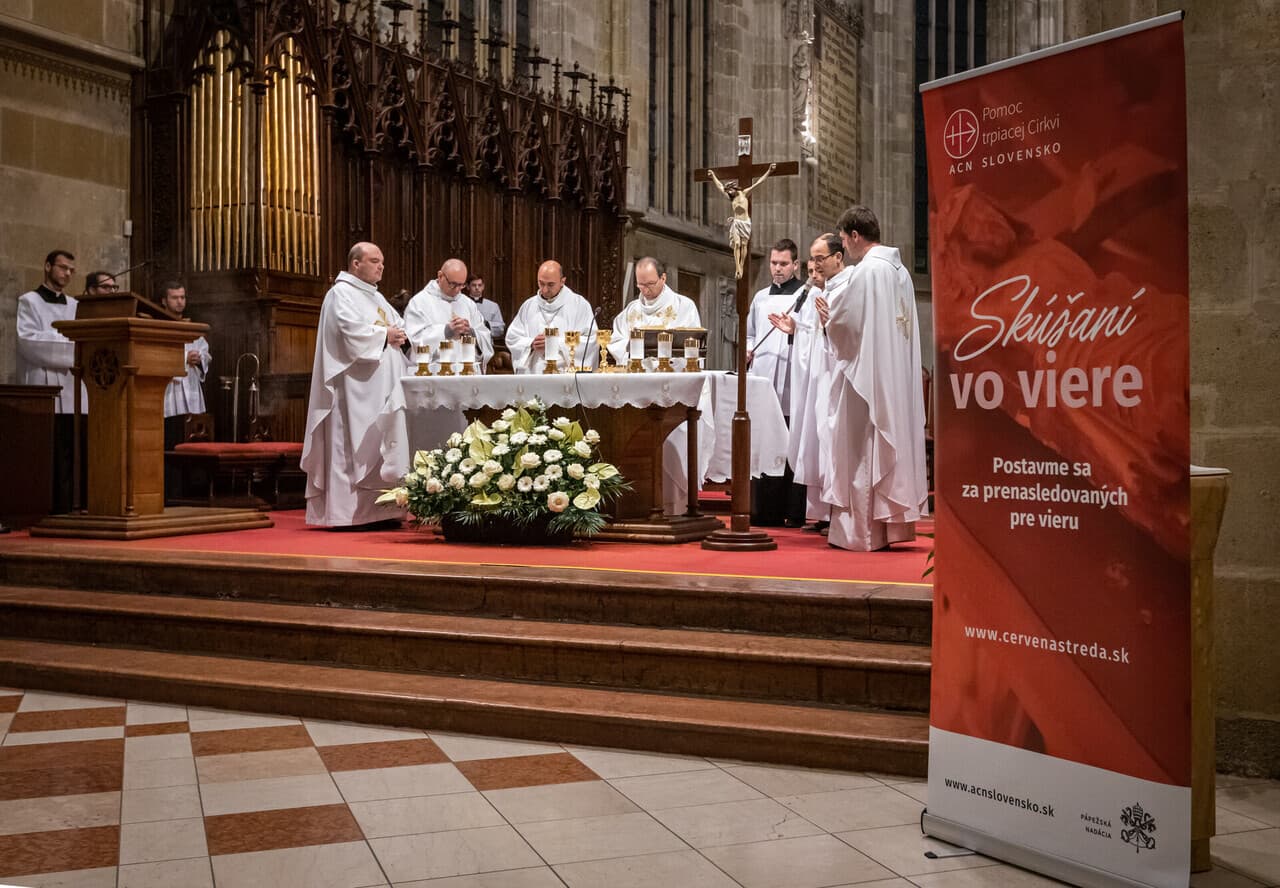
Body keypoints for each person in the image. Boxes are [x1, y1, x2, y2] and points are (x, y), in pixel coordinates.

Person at [822, 206, 928, 551]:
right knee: (884, 439)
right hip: (893, 376)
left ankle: (862, 533)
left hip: (866, 377)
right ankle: (888, 528)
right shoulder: (900, 272)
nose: (844, 247)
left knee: (861, 444)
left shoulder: (866, 272)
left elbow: (847, 326)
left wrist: (828, 320)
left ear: (855, 236)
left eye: (843, 239)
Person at [300, 242, 409, 529]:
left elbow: (398, 324)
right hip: (353, 388)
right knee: (351, 446)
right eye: (374, 260)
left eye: (382, 261)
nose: (381, 266)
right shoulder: (340, 294)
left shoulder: (377, 298)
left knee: (381, 443)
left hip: (381, 387)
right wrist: (385, 335)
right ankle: (346, 514)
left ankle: (383, 511)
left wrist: (397, 333)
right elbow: (349, 332)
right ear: (355, 264)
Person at [770, 236, 843, 532]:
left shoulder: (840, 292)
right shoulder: (813, 297)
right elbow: (811, 332)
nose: (813, 278)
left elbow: (833, 336)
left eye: (818, 271)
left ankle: (832, 513)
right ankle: (818, 513)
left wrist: (817, 328)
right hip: (813, 379)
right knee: (812, 444)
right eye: (811, 272)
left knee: (827, 445)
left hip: (830, 378)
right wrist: (795, 329)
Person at [16, 249, 87, 513]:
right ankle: (47, 508)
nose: (67, 273)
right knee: (49, 453)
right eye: (62, 268)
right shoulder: (29, 301)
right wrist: (71, 347)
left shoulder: (75, 305)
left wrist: (71, 344)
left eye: (71, 270)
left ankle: (72, 507)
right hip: (43, 387)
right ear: (47, 267)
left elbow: (82, 340)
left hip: (73, 388)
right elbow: (29, 342)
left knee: (72, 452)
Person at [745, 238, 806, 526]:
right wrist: (748, 349)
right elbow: (751, 334)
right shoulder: (759, 297)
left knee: (790, 440)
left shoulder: (806, 295)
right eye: (774, 263)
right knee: (765, 440)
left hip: (792, 378)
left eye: (783, 264)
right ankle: (765, 510)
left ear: (796, 264)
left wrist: (793, 332)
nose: (778, 269)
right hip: (763, 376)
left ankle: (793, 510)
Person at [606, 257, 701, 366]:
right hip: (637, 375)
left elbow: (692, 345)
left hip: (671, 374)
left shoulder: (684, 306)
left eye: (650, 284)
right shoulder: (631, 310)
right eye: (641, 285)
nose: (645, 290)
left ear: (663, 278)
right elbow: (616, 340)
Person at [505, 260, 597, 373]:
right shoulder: (529, 306)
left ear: (562, 281)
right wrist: (531, 343)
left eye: (550, 285)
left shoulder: (579, 305)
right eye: (541, 283)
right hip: (534, 373)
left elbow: (591, 340)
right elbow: (512, 338)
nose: (544, 289)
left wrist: (555, 343)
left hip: (566, 374)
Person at [404, 259, 494, 372]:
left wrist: (471, 333)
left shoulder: (468, 303)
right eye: (453, 284)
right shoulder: (420, 302)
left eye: (461, 285)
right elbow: (415, 340)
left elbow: (485, 335)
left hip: (466, 372)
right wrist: (446, 331)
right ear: (440, 275)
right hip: (435, 372)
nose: (457, 290)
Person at [159, 281, 211, 456]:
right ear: (164, 301)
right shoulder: (157, 327)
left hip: (192, 390)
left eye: (182, 297)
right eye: (174, 297)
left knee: (194, 446)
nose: (180, 301)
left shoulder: (193, 328)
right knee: (172, 444)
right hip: (170, 393)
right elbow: (157, 355)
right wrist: (184, 358)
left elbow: (206, 353)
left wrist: (200, 358)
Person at [467, 273, 506, 340]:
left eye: (479, 285)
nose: (477, 288)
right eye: (474, 285)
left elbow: (501, 328)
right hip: (465, 343)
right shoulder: (462, 303)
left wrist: (486, 324)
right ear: (468, 287)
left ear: (483, 287)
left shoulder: (493, 306)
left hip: (486, 343)